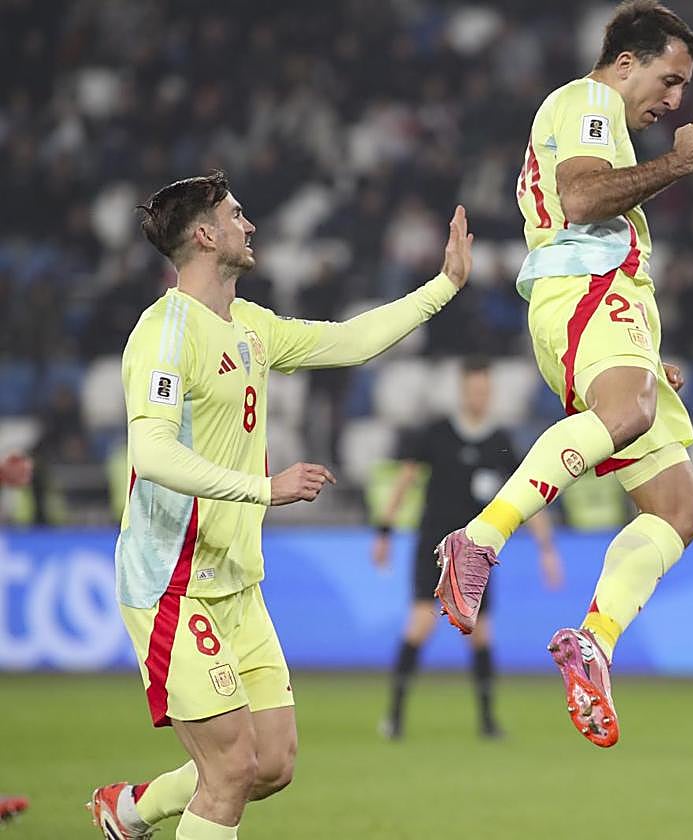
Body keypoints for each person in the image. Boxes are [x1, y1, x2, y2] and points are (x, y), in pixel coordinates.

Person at [88, 171, 473, 840]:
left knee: (271, 763)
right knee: (232, 768)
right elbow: (149, 454)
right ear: (207, 235)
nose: (251, 225)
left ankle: (130, 810)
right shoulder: (165, 333)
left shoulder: (251, 326)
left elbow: (349, 343)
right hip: (172, 585)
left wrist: (442, 288)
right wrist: (268, 489)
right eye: (237, 215)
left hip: (237, 582)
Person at [431, 0, 693, 748]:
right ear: (626, 63)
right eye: (670, 78)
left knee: (678, 510)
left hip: (605, 303)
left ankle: (595, 639)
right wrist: (680, 165)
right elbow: (583, 198)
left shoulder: (599, 116)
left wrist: (646, 360)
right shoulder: (589, 99)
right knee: (626, 414)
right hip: (589, 292)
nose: (675, 99)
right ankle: (482, 540)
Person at [371, 358, 563, 740]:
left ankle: (488, 722)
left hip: (476, 553)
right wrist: (384, 531)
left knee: (481, 634)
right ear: (463, 392)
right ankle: (394, 716)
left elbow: (527, 494)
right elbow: (405, 481)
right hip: (434, 547)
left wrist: (547, 548)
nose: (480, 397)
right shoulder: (437, 434)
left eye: (485, 391)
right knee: (421, 625)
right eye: (474, 390)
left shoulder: (499, 442)